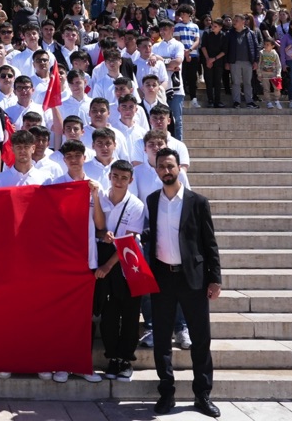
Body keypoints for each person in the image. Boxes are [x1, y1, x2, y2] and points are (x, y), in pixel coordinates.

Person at [142, 149, 222, 418]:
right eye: (161, 166)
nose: (166, 170)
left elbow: (210, 243)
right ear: (156, 171)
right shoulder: (152, 201)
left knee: (200, 339)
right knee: (162, 341)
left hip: (193, 280)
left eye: (170, 166)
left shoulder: (197, 202)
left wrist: (215, 279)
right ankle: (166, 394)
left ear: (179, 168)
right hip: (163, 277)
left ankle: (203, 395)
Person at [93, 158, 146, 382]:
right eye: (115, 176)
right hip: (104, 255)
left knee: (131, 313)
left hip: (128, 261)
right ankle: (112, 357)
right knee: (109, 314)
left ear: (130, 180)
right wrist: (102, 234)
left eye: (124, 178)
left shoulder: (136, 204)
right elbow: (95, 229)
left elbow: (131, 241)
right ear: (109, 176)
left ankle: (126, 359)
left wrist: (107, 265)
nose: (119, 181)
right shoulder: (101, 198)